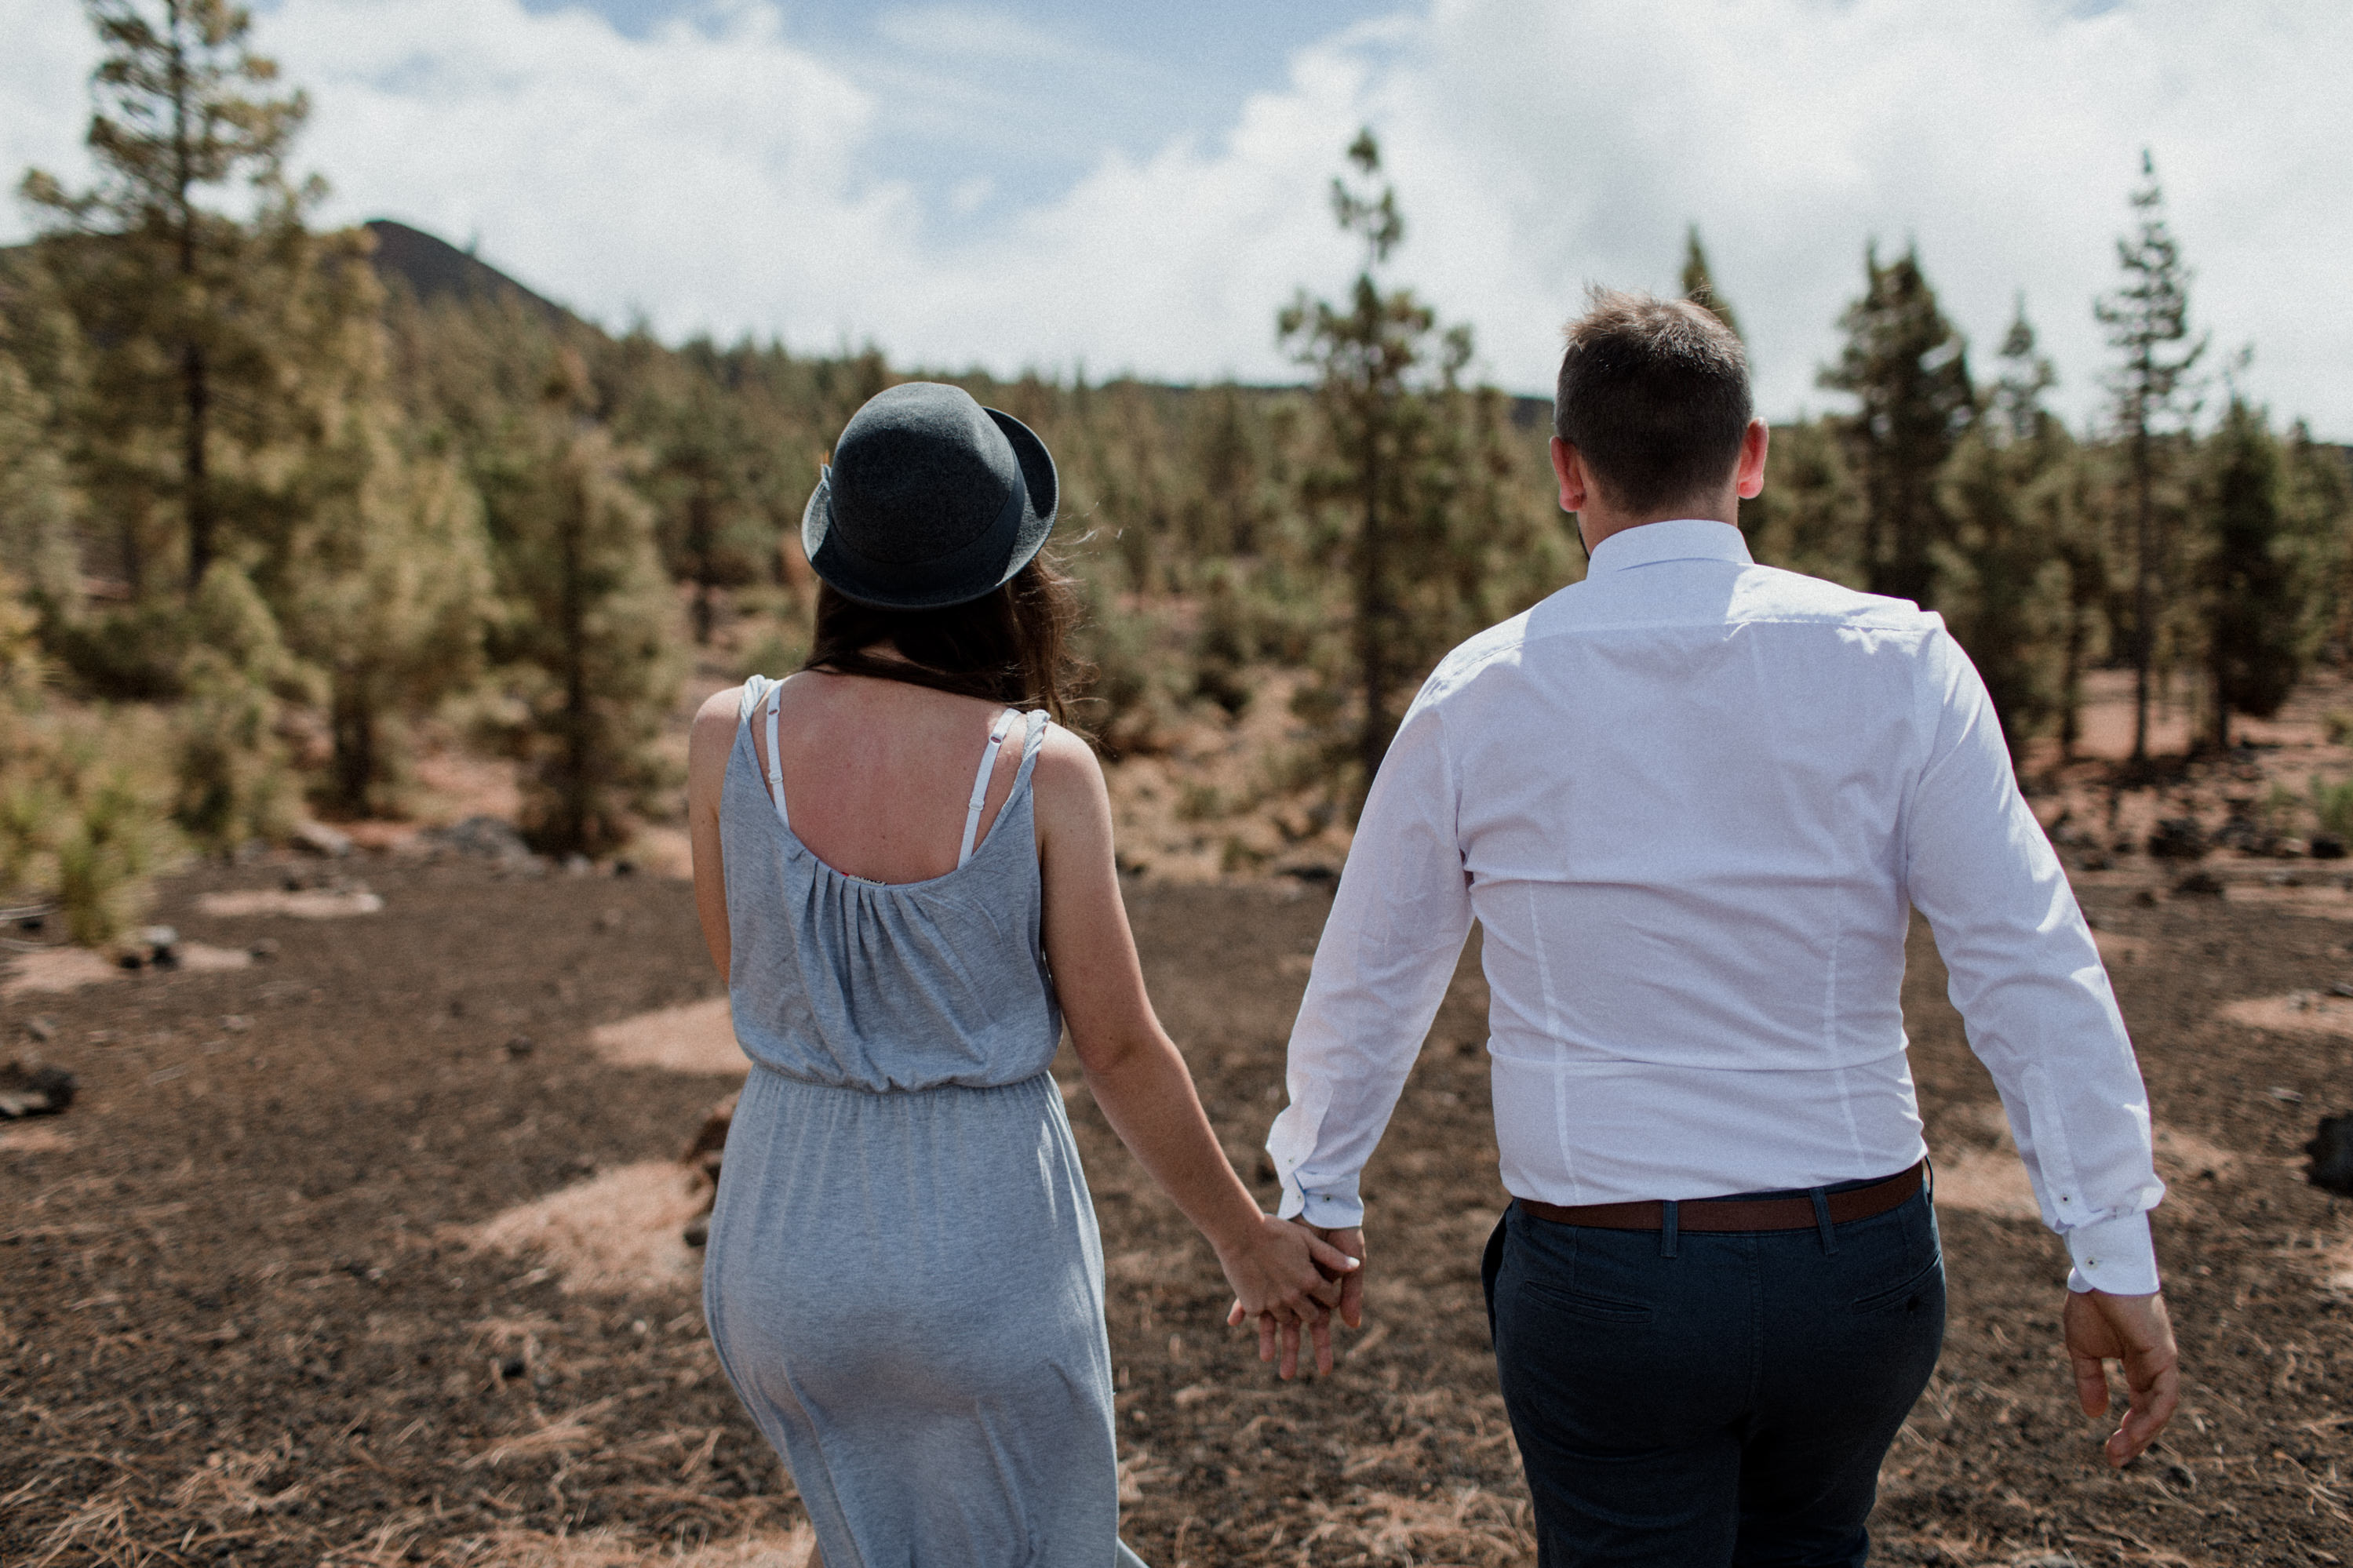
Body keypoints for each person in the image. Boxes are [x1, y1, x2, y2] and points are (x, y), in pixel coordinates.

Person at [1266, 291, 2180, 1564]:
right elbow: (2028, 961)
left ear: (1567, 473)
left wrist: (1319, 1187)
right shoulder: (1900, 663)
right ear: (1751, 454)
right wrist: (2107, 1245)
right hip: (1857, 1275)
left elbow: (1373, 973)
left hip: (1609, 1284)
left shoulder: (1480, 693)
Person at [687, 381, 1355, 1568]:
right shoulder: (1043, 773)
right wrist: (1245, 1237)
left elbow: (753, 980)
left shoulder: (726, 735)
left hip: (780, 1246)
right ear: (1008, 577)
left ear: (834, 558)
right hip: (977, 1240)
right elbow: (1120, 1047)